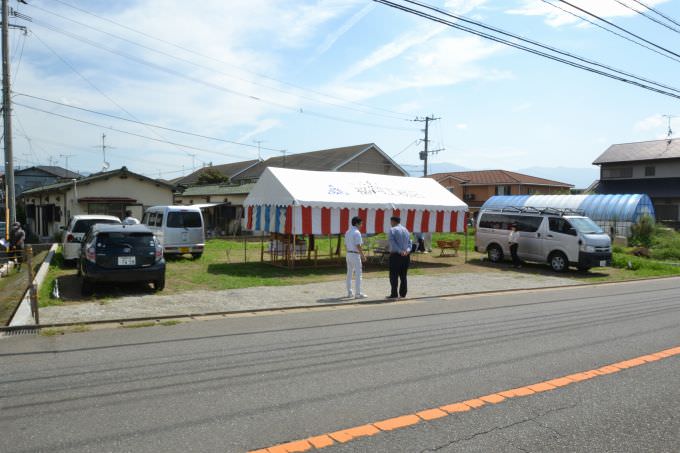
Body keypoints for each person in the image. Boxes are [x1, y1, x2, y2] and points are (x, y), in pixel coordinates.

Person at [387, 216, 412, 300]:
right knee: (403, 275)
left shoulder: (392, 230)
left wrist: (399, 251)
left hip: (396, 255)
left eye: (391, 222)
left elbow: (392, 242)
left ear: (393, 221)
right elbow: (410, 243)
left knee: (393, 275)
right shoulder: (406, 230)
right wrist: (407, 251)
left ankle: (394, 293)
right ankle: (403, 293)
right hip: (406, 255)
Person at [344, 216, 367, 299]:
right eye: (361, 223)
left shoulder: (347, 232)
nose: (361, 225)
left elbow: (346, 244)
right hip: (355, 254)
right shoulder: (357, 232)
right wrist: (363, 255)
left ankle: (349, 292)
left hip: (349, 253)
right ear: (357, 223)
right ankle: (358, 293)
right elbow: (358, 245)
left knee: (349, 274)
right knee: (358, 274)